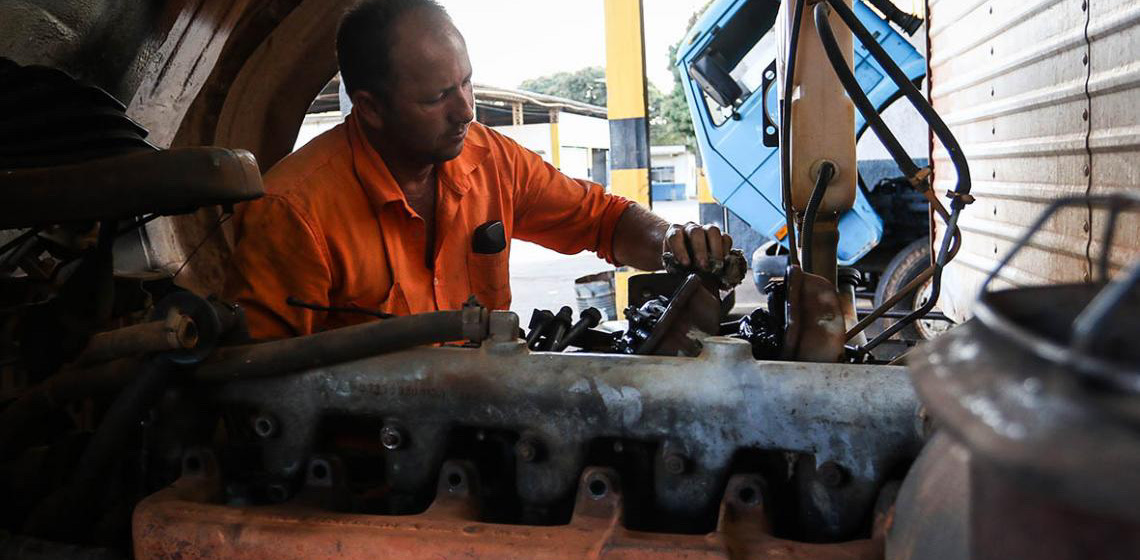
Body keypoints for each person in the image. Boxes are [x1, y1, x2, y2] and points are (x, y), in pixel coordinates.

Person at [225, 0, 733, 339]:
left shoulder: (492, 160)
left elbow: (604, 220)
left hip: (482, 429)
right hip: (365, 474)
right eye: (438, 97)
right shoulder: (292, 211)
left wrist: (671, 240)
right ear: (370, 107)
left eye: (466, 83)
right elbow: (261, 384)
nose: (466, 109)